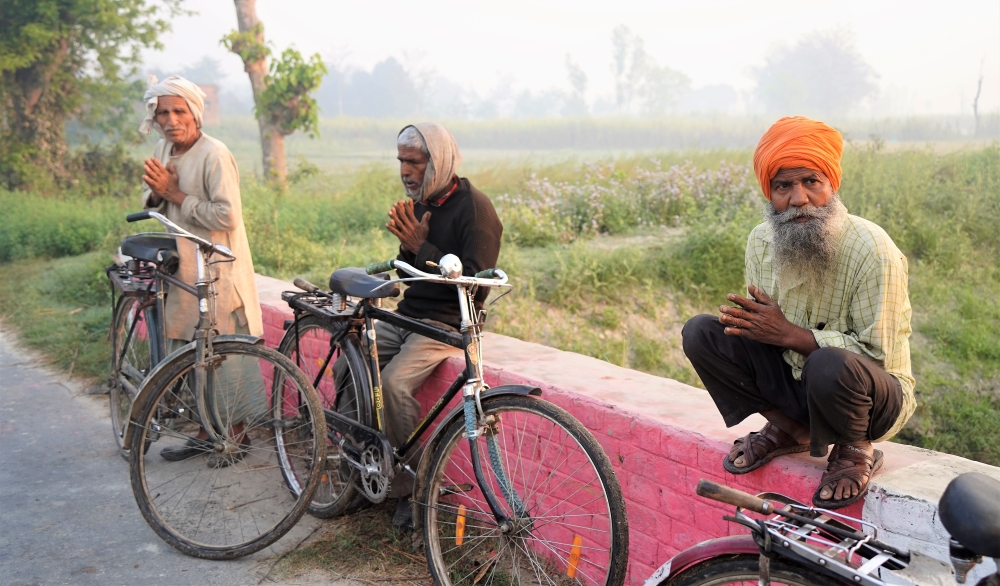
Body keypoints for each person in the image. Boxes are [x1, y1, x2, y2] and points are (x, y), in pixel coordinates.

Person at [681, 116, 914, 509]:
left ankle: (855, 450)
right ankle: (790, 429)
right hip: (798, 387)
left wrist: (790, 334)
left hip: (872, 400)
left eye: (811, 182)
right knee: (701, 332)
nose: (799, 198)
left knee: (827, 363)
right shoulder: (761, 241)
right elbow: (764, 336)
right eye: (783, 186)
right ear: (769, 193)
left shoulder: (872, 249)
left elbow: (877, 357)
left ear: (831, 184)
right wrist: (754, 328)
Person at [335, 122, 502, 529]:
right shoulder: (422, 204)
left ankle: (414, 487)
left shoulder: (475, 210)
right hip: (409, 315)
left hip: (445, 324)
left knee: (393, 384)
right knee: (349, 364)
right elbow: (410, 273)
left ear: (438, 160)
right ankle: (361, 465)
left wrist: (421, 247)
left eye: (414, 162)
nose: (406, 171)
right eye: (401, 162)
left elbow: (474, 285)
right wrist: (409, 252)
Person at [138, 75, 265, 468]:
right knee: (193, 352)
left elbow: (227, 214)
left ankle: (236, 437)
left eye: (179, 111)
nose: (171, 119)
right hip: (187, 266)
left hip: (219, 269)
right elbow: (154, 202)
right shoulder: (165, 148)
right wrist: (161, 193)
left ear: (195, 113)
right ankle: (203, 433)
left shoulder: (214, 154)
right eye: (163, 112)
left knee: (224, 356)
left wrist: (177, 195)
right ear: (155, 119)